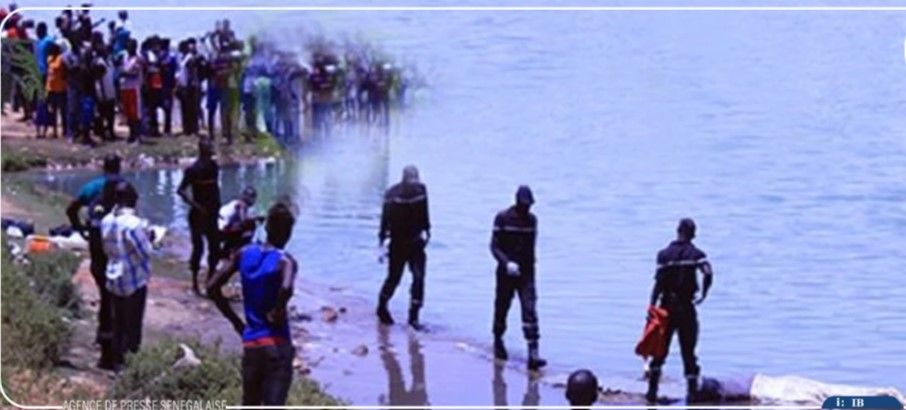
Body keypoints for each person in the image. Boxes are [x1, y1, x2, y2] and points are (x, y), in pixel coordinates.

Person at [207, 201, 298, 406]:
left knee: (250, 402)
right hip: (276, 342)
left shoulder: (244, 253)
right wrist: (277, 309)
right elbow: (286, 287)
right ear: (289, 232)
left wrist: (236, 323)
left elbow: (212, 287)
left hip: (252, 343)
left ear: (266, 227)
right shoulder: (286, 261)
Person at [646, 218, 714, 403]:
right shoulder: (696, 254)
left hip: (666, 309)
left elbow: (658, 284)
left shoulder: (664, 255)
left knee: (660, 350)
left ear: (677, 231)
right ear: (693, 234)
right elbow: (708, 272)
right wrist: (704, 294)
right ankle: (692, 394)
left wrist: (651, 308)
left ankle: (652, 392)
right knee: (688, 352)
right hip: (686, 309)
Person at [65, 154, 122, 370]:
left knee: (105, 297)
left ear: (103, 167)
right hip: (117, 252)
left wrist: (80, 229)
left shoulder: (92, 187)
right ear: (119, 167)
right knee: (116, 300)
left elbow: (71, 208)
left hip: (98, 250)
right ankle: (112, 347)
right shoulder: (125, 188)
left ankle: (103, 339)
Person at [490, 185, 547, 370]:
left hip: (526, 272)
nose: (527, 208)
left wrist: (529, 272)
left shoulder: (532, 221)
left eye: (529, 205)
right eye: (524, 205)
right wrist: (506, 263)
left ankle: (533, 353)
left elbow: (531, 249)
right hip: (506, 272)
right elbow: (494, 246)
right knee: (502, 307)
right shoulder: (503, 218)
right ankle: (498, 340)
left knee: (530, 310)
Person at [100, 181, 151, 372]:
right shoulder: (133, 224)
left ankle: (117, 363)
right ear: (132, 200)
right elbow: (145, 252)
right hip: (133, 279)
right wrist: (150, 238)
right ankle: (130, 367)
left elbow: (107, 249)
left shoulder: (106, 220)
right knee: (133, 327)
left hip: (113, 276)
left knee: (118, 324)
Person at [376, 165, 431, 331]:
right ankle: (382, 306)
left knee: (419, 278)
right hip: (397, 243)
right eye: (411, 180)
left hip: (416, 242)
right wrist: (381, 242)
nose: (414, 183)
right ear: (404, 179)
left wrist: (427, 230)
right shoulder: (392, 194)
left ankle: (414, 317)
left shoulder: (422, 190)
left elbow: (425, 212)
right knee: (394, 278)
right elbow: (384, 219)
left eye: (416, 179)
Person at [689, 373, 905, 405]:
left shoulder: (732, 389)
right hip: (777, 386)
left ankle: (884, 399)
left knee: (828, 395)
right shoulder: (737, 386)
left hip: (777, 389)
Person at [177, 139, 222, 296]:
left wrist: (217, 208)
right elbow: (181, 190)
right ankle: (195, 283)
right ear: (202, 151)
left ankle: (210, 280)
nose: (211, 152)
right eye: (209, 149)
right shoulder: (193, 170)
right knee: (198, 248)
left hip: (213, 213)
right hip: (198, 214)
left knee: (215, 248)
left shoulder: (214, 167)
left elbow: (215, 188)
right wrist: (196, 206)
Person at [218, 186, 262, 259]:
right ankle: (235, 250)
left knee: (242, 226)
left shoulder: (235, 203)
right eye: (253, 198)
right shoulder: (241, 204)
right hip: (221, 230)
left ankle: (226, 250)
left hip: (218, 228)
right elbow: (243, 220)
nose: (254, 201)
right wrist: (257, 218)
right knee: (249, 226)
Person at [120, 39, 143, 143]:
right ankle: (131, 135)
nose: (129, 48)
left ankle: (138, 136)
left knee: (135, 114)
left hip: (134, 87)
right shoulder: (125, 57)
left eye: (131, 46)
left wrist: (124, 73)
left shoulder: (138, 58)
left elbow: (135, 73)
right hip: (125, 87)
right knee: (128, 113)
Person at [45, 41, 67, 139]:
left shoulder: (60, 59)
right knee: (52, 111)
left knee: (62, 111)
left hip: (61, 89)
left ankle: (65, 130)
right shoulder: (49, 59)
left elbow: (59, 68)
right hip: (51, 88)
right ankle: (54, 131)